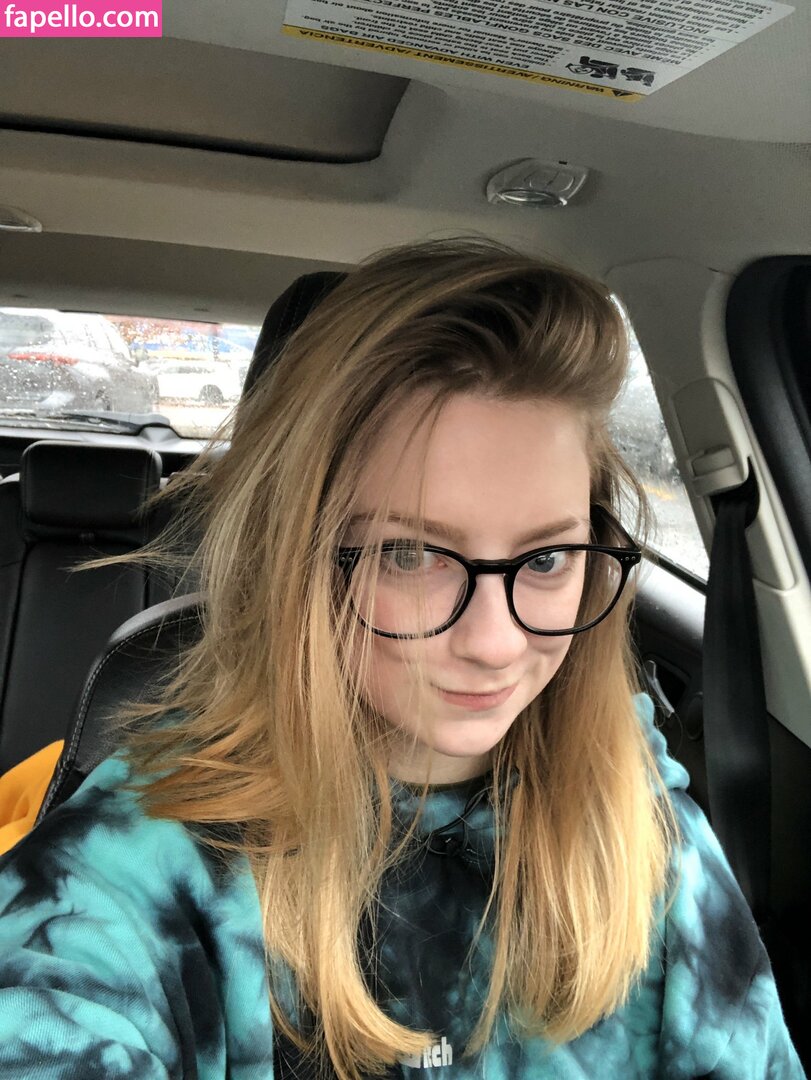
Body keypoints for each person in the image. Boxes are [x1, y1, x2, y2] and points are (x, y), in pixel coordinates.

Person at [0, 238, 804, 1080]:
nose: (495, 644)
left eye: (544, 559)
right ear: (296, 560)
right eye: (408, 556)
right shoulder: (129, 878)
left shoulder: (641, 825)